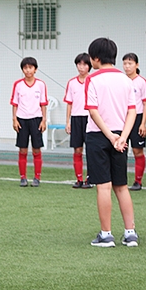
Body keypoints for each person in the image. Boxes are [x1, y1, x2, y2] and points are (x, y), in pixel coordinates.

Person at [85, 38, 139, 248]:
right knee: (121, 186)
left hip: (99, 135)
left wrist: (110, 136)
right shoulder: (126, 80)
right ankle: (130, 233)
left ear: (96, 58)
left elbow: (93, 111)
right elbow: (132, 110)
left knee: (103, 186)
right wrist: (122, 137)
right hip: (120, 137)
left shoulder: (92, 79)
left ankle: (106, 234)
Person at [11, 57, 48, 187]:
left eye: (30, 67)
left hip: (36, 119)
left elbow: (43, 104)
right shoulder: (18, 84)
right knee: (23, 150)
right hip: (21, 119)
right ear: (22, 70)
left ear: (35, 69)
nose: (28, 70)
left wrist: (44, 120)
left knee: (36, 150)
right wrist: (14, 119)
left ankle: (37, 177)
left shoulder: (41, 84)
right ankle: (23, 177)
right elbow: (14, 103)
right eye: (25, 68)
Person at [123, 53, 146, 191]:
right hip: (123, 118)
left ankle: (138, 181)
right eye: (125, 63)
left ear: (137, 65)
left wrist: (143, 123)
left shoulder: (142, 82)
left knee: (137, 151)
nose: (127, 66)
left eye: (130, 63)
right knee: (121, 149)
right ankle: (120, 179)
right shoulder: (121, 80)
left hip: (137, 118)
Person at [64, 53, 92, 189]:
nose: (81, 67)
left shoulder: (94, 81)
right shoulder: (72, 83)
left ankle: (90, 178)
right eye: (79, 64)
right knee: (77, 149)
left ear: (90, 66)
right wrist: (67, 121)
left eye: (84, 64)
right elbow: (69, 103)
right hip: (76, 118)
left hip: (91, 118)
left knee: (91, 150)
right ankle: (79, 178)